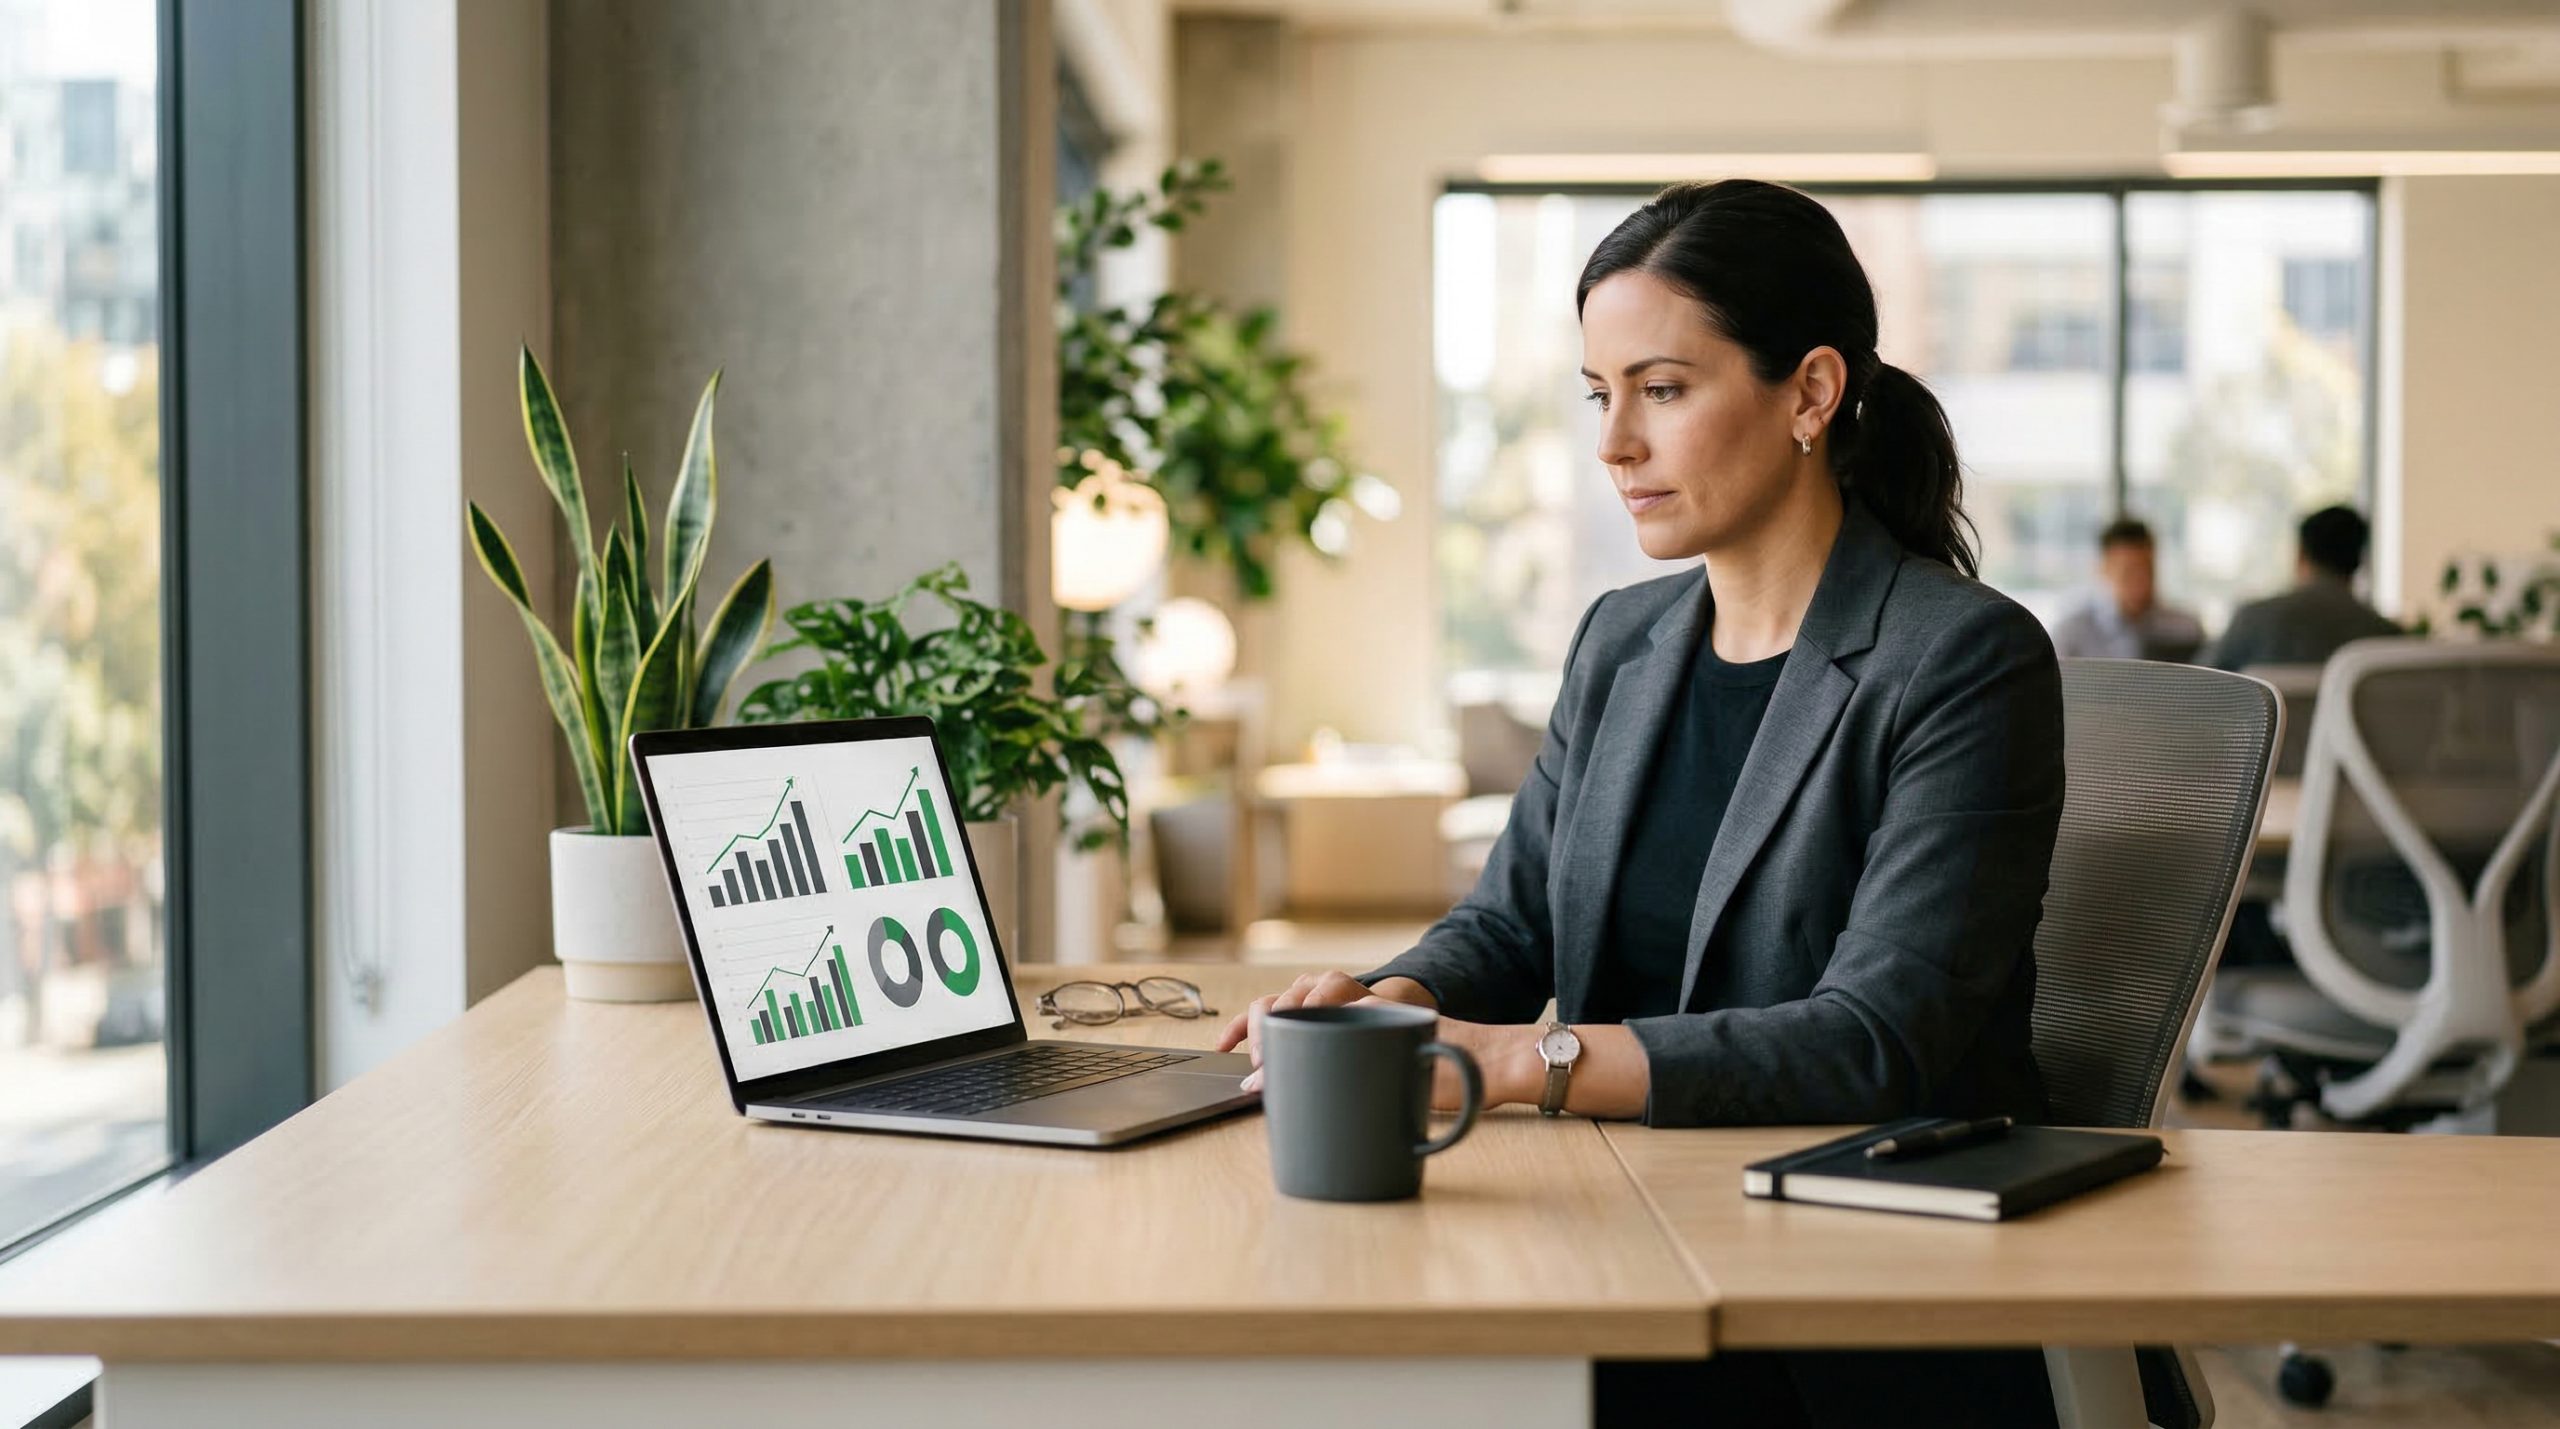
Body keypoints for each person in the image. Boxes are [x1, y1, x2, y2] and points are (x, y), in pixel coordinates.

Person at [1216, 179, 2064, 1427]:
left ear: (1810, 395)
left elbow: (1869, 1041)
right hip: (1633, 1224)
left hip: (1860, 1274)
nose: (1614, 443)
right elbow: (1510, 930)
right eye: (1599, 395)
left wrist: (1519, 1062)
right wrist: (1390, 1007)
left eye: (1661, 390)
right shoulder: (1622, 642)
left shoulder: (1959, 660)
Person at [2205, 505, 2399, 670]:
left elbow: (2195, 690)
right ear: (2359, 562)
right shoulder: (2387, 636)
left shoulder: (2252, 621)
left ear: (2300, 556)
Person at [2050, 518, 2204, 662]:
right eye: (2128, 573)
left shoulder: (2185, 628)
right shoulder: (2071, 634)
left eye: (2147, 570)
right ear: (2103, 569)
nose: (2141, 581)